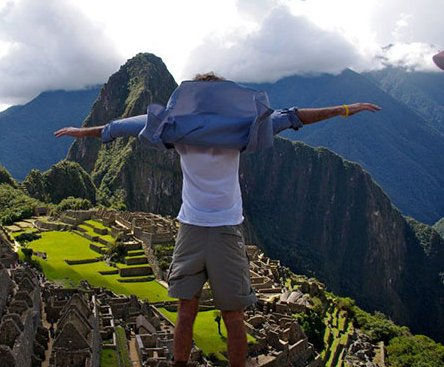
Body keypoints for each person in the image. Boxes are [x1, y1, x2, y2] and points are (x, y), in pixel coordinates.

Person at [54, 72, 380, 367]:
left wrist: (82, 133)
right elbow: (294, 117)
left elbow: (119, 127)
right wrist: (344, 108)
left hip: (196, 231)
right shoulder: (239, 128)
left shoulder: (176, 127)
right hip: (221, 231)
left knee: (192, 312)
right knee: (229, 315)